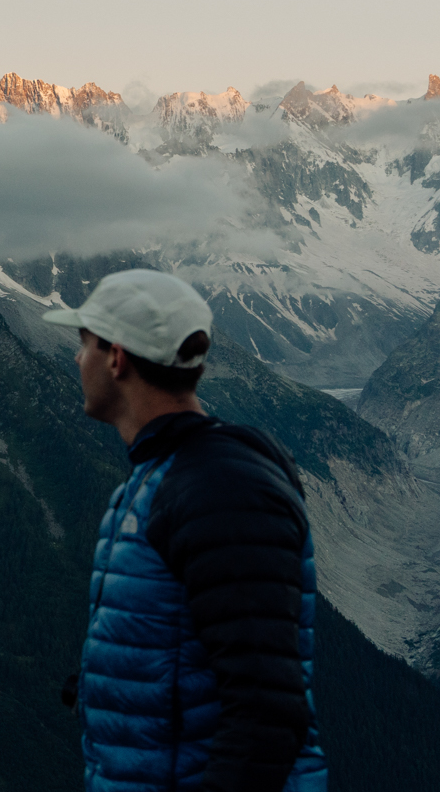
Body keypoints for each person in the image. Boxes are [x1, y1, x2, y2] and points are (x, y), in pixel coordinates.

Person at [43, 269, 327, 792]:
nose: (76, 359)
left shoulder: (220, 489)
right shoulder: (167, 473)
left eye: (82, 344)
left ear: (117, 358)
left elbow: (267, 710)